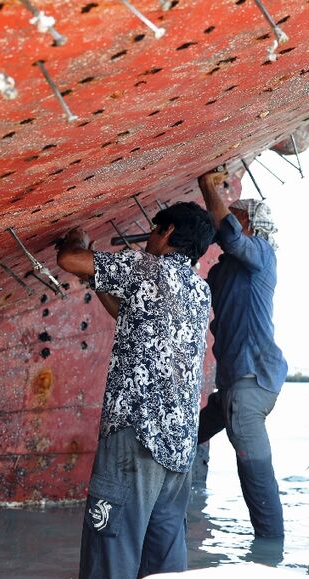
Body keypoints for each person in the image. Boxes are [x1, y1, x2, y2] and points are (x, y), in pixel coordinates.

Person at [56, 202, 216, 579]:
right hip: (179, 447)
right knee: (163, 562)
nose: (149, 239)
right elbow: (132, 313)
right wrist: (100, 282)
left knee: (110, 551)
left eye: (155, 229)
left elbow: (69, 260)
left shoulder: (144, 267)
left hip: (135, 435)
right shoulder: (199, 290)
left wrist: (78, 238)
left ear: (169, 232)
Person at [196, 170, 287, 538]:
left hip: (249, 386)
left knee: (256, 477)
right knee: (185, 437)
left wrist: (209, 188)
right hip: (236, 387)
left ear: (251, 225)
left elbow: (231, 235)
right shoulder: (223, 271)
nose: (229, 218)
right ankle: (173, 509)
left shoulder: (261, 254)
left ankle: (269, 556)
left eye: (238, 215)